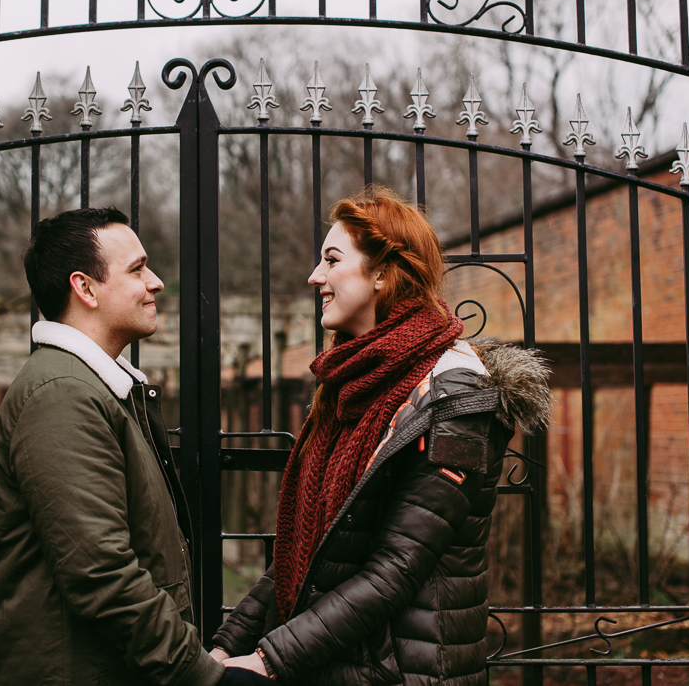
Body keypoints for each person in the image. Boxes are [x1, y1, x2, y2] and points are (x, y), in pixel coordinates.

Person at [209, 187, 552, 684]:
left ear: (382, 273)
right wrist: (226, 646)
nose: (315, 276)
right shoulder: (352, 386)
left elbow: (395, 569)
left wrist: (268, 659)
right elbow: (305, 553)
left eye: (331, 259)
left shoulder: (455, 397)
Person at [0, 207, 233, 685]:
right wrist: (202, 674)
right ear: (85, 288)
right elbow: (101, 573)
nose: (155, 282)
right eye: (137, 269)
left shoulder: (95, 388)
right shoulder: (60, 393)